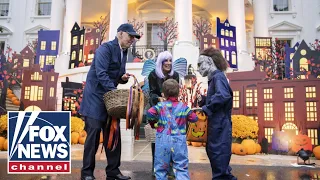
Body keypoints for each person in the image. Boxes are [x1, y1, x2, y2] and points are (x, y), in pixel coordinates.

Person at [79, 23, 141, 180]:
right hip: (95, 97)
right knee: (93, 137)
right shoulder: (105, 49)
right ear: (120, 34)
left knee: (113, 135)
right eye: (130, 36)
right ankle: (87, 173)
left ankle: (113, 171)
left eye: (134, 37)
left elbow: (116, 76)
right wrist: (114, 91)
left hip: (109, 98)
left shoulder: (124, 52)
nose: (132, 39)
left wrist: (122, 78)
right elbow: (101, 74)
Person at [197, 47, 237, 180]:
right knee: (217, 156)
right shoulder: (216, 78)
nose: (198, 69)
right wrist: (203, 101)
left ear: (209, 62)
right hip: (217, 124)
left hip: (220, 124)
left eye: (200, 64)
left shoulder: (218, 77)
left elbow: (223, 95)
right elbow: (220, 96)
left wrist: (207, 108)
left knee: (218, 155)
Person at [146, 79, 198, 180]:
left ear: (163, 94)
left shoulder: (160, 106)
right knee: (181, 167)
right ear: (178, 93)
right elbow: (194, 118)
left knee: (161, 167)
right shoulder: (183, 107)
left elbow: (150, 113)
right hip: (179, 140)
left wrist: (154, 124)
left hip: (163, 140)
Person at [147, 51, 180, 176]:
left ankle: (170, 167)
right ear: (160, 62)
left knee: (171, 140)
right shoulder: (153, 75)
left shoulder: (175, 75)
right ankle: (156, 167)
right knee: (157, 140)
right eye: (165, 61)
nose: (168, 63)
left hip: (172, 111)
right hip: (158, 111)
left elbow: (176, 92)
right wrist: (158, 99)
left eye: (170, 60)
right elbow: (151, 93)